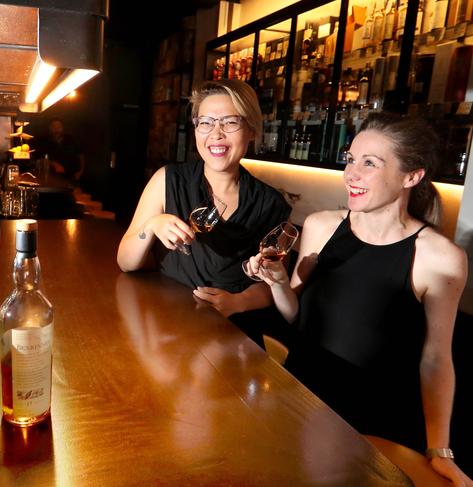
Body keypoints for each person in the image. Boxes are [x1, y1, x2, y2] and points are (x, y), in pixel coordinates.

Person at [244, 112, 472, 485]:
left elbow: (436, 360)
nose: (352, 173)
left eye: (370, 163)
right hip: (300, 402)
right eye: (351, 159)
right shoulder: (320, 226)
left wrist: (440, 450)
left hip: (373, 421)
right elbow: (294, 318)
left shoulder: (440, 257)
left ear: (411, 176)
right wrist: (279, 284)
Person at [117, 79, 291, 345]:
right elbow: (126, 262)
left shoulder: (271, 203)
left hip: (233, 335)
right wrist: (152, 225)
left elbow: (275, 284)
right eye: (206, 122)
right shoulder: (168, 180)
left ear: (252, 130)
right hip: (167, 325)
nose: (216, 133)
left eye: (230, 122)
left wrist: (237, 302)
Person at [43, 118, 85, 183]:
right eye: (54, 127)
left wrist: (80, 171)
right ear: (50, 128)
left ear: (63, 128)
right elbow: (41, 158)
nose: (56, 129)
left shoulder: (71, 139)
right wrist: (53, 163)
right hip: (54, 177)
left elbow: (80, 156)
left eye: (59, 127)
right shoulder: (45, 141)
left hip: (72, 176)